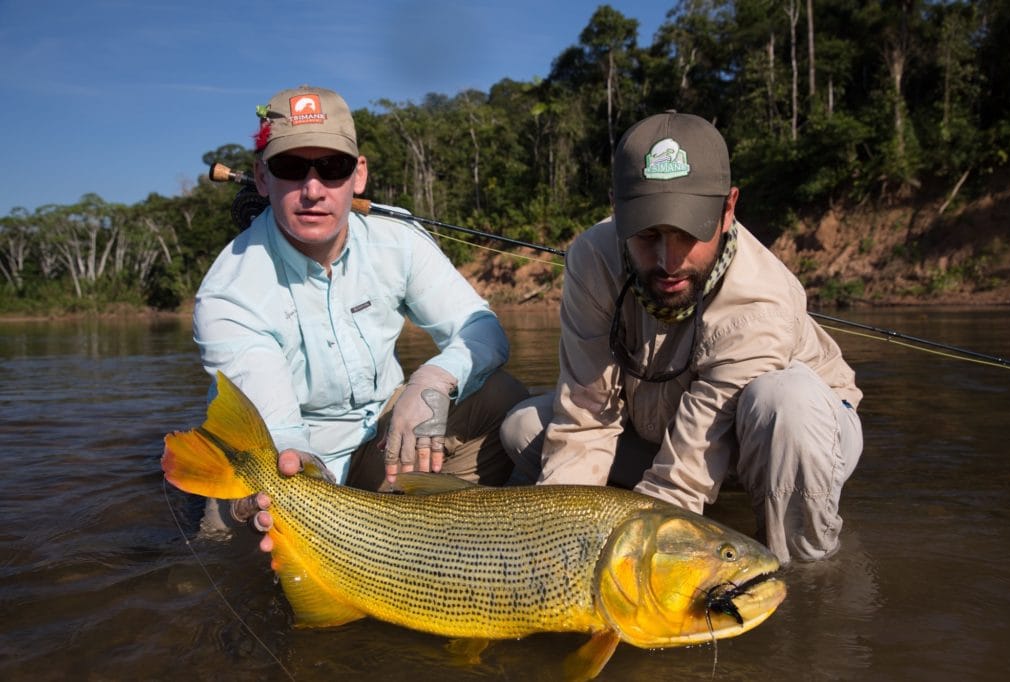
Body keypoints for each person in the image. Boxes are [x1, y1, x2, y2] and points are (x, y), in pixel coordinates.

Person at [500, 112, 863, 564]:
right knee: (523, 428)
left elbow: (682, 477)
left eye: (688, 233)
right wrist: (560, 547)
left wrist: (643, 562)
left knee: (784, 402)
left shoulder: (762, 299)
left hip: (785, 437)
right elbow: (585, 419)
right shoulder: (591, 259)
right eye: (647, 234)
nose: (669, 261)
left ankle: (802, 572)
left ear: (728, 209)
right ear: (617, 208)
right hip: (664, 426)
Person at [194, 85, 527, 535]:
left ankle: (432, 532)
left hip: (382, 440)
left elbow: (482, 331)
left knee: (500, 398)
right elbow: (282, 435)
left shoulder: (398, 240)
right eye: (290, 168)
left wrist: (433, 380)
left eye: (333, 167)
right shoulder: (228, 291)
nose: (313, 189)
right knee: (231, 549)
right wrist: (307, 485)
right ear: (261, 177)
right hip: (284, 462)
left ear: (359, 175)